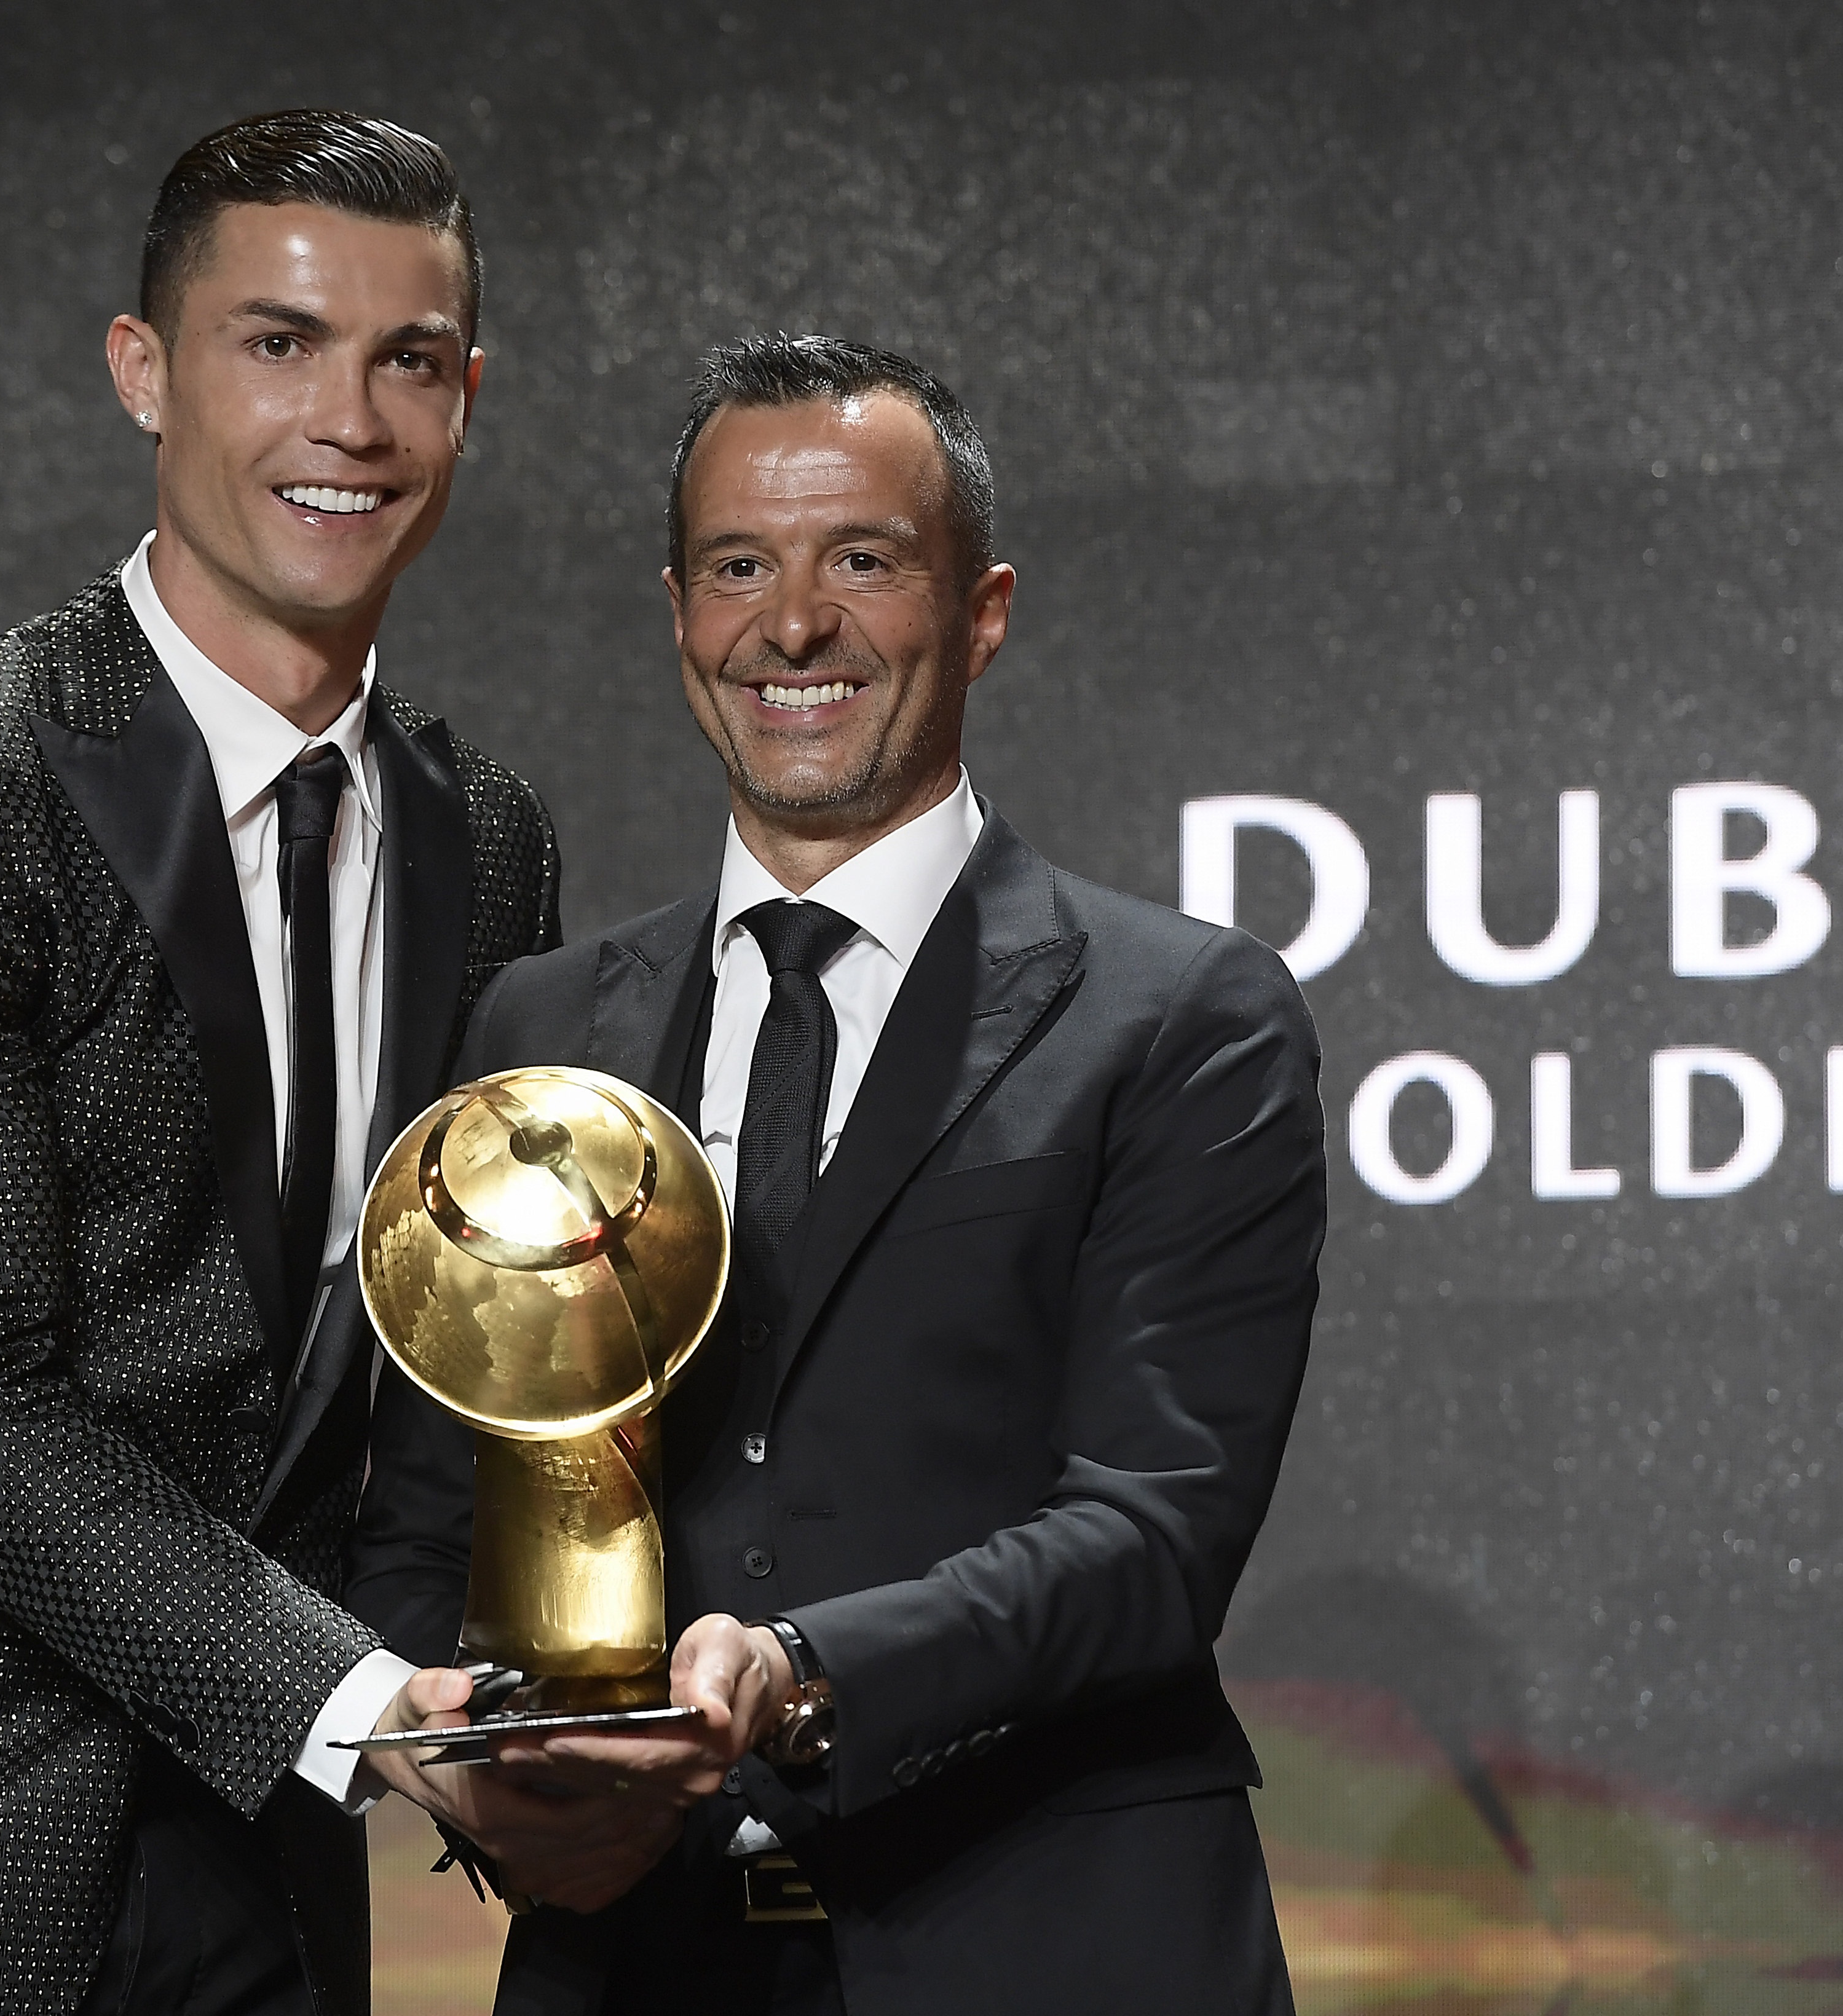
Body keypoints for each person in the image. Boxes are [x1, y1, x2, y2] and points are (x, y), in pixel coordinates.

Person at [0, 110, 676, 2016]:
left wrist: (521, 1711)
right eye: (279, 343)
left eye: (409, 361)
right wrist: (371, 1711)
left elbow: (431, 1363)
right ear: (143, 370)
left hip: (261, 1862)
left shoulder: (484, 840)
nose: (349, 420)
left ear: (468, 401)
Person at [347, 334, 1328, 2015]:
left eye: (861, 561)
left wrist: (806, 1674)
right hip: (632, 1966)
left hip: (1052, 1952)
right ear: (679, 614)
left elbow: (1156, 1534)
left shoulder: (1181, 1014)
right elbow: (435, 1526)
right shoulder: (540, 1026)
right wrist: (471, 1759)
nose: (792, 625)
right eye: (739, 567)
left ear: (984, 611)